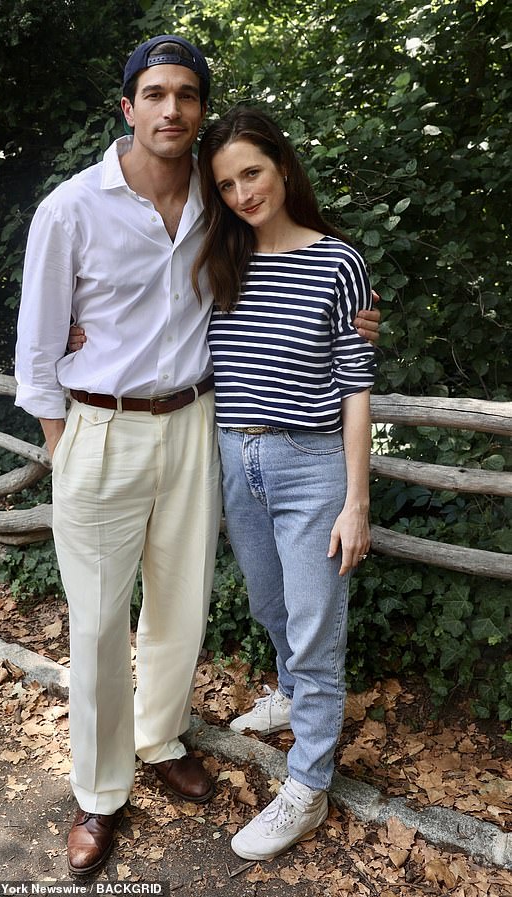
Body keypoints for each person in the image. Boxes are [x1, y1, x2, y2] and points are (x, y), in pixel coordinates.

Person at [16, 35, 380, 875]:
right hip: (100, 428)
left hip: (196, 424)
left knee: (180, 608)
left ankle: (159, 738)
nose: (171, 108)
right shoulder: (71, 208)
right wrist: (66, 449)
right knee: (97, 623)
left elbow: (304, 271)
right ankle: (99, 792)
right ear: (128, 107)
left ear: (201, 110)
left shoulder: (220, 209)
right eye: (154, 93)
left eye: (186, 94)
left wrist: (358, 319)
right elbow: (36, 351)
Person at [190, 106, 376, 861]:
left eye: (252, 173)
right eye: (226, 184)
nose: (242, 194)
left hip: (311, 465)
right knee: (271, 604)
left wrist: (356, 501)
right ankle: (292, 695)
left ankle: (307, 785)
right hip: (237, 460)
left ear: (283, 167)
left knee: (314, 625)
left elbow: (355, 386)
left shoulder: (338, 262)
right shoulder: (219, 260)